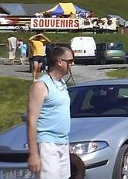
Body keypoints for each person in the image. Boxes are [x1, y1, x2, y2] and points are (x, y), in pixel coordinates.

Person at [27, 46, 75, 179]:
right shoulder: (41, 85)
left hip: (63, 142)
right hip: (47, 144)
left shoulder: (61, 84)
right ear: (60, 62)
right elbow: (31, 120)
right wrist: (33, 154)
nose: (72, 64)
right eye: (70, 61)